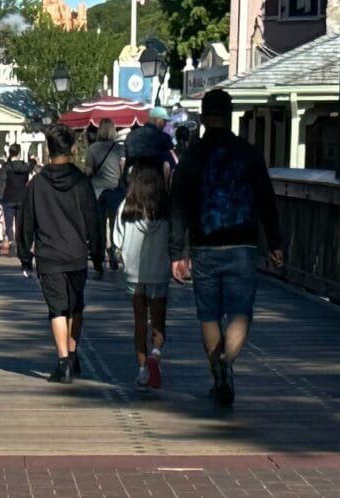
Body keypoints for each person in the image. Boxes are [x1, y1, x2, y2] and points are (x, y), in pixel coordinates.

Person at [168, 86, 282, 408]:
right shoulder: (249, 154)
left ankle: (217, 369)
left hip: (204, 245)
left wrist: (178, 252)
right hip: (243, 243)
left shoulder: (191, 158)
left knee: (207, 314)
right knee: (241, 313)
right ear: (229, 116)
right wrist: (275, 242)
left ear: (203, 117)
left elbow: (178, 206)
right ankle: (227, 363)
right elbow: (266, 201)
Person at [18, 123, 105, 383]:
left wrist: (25, 255)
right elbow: (94, 221)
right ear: (74, 148)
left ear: (48, 150)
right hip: (77, 252)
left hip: (49, 254)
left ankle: (63, 361)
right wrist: (98, 255)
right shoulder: (81, 182)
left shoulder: (37, 185)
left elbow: (26, 222)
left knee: (56, 308)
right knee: (76, 306)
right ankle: (73, 352)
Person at [118, 150, 174, 388]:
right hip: (159, 271)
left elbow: (117, 241)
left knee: (139, 322)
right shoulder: (166, 211)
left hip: (134, 273)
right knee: (158, 322)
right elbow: (175, 240)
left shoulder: (127, 208)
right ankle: (155, 355)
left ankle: (142, 371)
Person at [87, 123, 127, 267]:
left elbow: (88, 172)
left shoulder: (92, 149)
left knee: (100, 225)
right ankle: (114, 253)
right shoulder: (119, 149)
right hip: (115, 190)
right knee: (114, 223)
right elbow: (123, 169)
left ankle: (99, 256)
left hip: (97, 191)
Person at [0, 143, 35, 250]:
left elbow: (2, 183)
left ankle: (11, 242)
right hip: (22, 197)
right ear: (19, 153)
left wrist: (0, 198)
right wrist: (33, 161)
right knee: (20, 223)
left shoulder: (6, 167)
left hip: (8, 197)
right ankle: (20, 242)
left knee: (9, 224)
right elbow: (31, 168)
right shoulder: (25, 167)